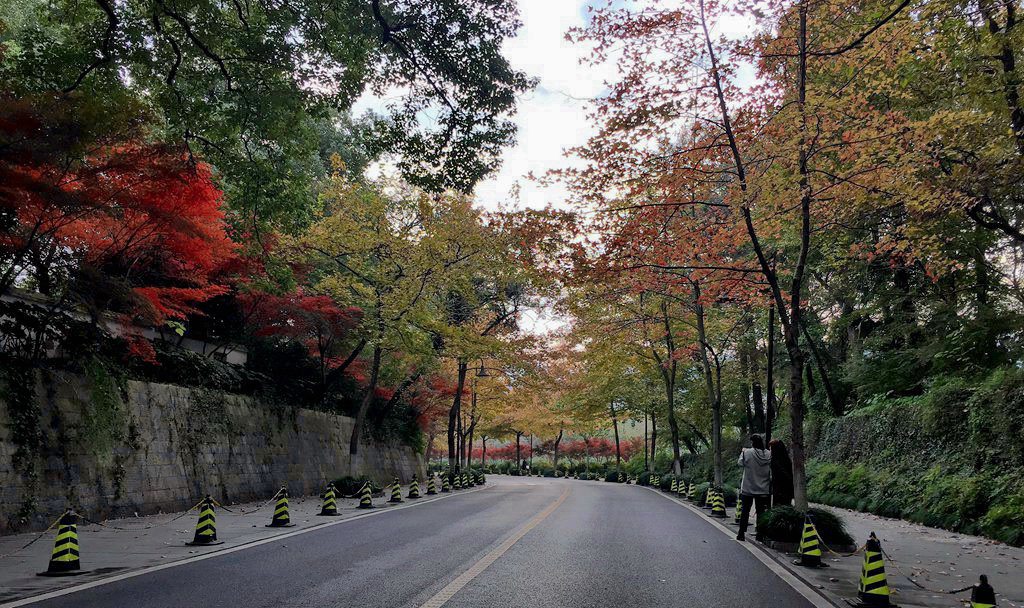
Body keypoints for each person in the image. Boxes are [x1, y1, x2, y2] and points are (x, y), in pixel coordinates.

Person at [737, 434, 772, 542]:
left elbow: (740, 463)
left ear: (752, 442)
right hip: (763, 488)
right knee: (761, 512)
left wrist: (743, 451)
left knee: (745, 511)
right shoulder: (769, 454)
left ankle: (741, 534)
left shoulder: (747, 452)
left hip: (748, 487)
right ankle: (760, 535)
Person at [769, 439, 794, 507]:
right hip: (788, 487)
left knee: (778, 506)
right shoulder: (786, 458)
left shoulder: (774, 460)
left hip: (779, 488)